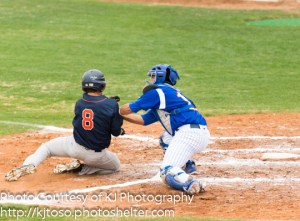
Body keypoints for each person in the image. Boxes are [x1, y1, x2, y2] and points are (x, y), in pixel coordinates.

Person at [5, 69, 124, 181]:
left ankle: (29, 164)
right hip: (95, 156)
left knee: (47, 148)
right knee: (114, 166)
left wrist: (108, 102)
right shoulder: (111, 105)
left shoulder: (80, 103)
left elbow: (94, 107)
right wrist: (112, 106)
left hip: (73, 146)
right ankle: (83, 168)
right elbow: (115, 131)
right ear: (102, 85)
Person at [120, 64, 210, 195]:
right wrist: (119, 114)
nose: (151, 79)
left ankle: (190, 183)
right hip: (196, 132)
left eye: (153, 76)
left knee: (167, 170)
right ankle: (187, 164)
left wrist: (115, 109)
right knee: (166, 138)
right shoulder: (167, 95)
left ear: (161, 77)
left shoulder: (157, 91)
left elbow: (127, 109)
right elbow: (144, 120)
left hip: (189, 133)